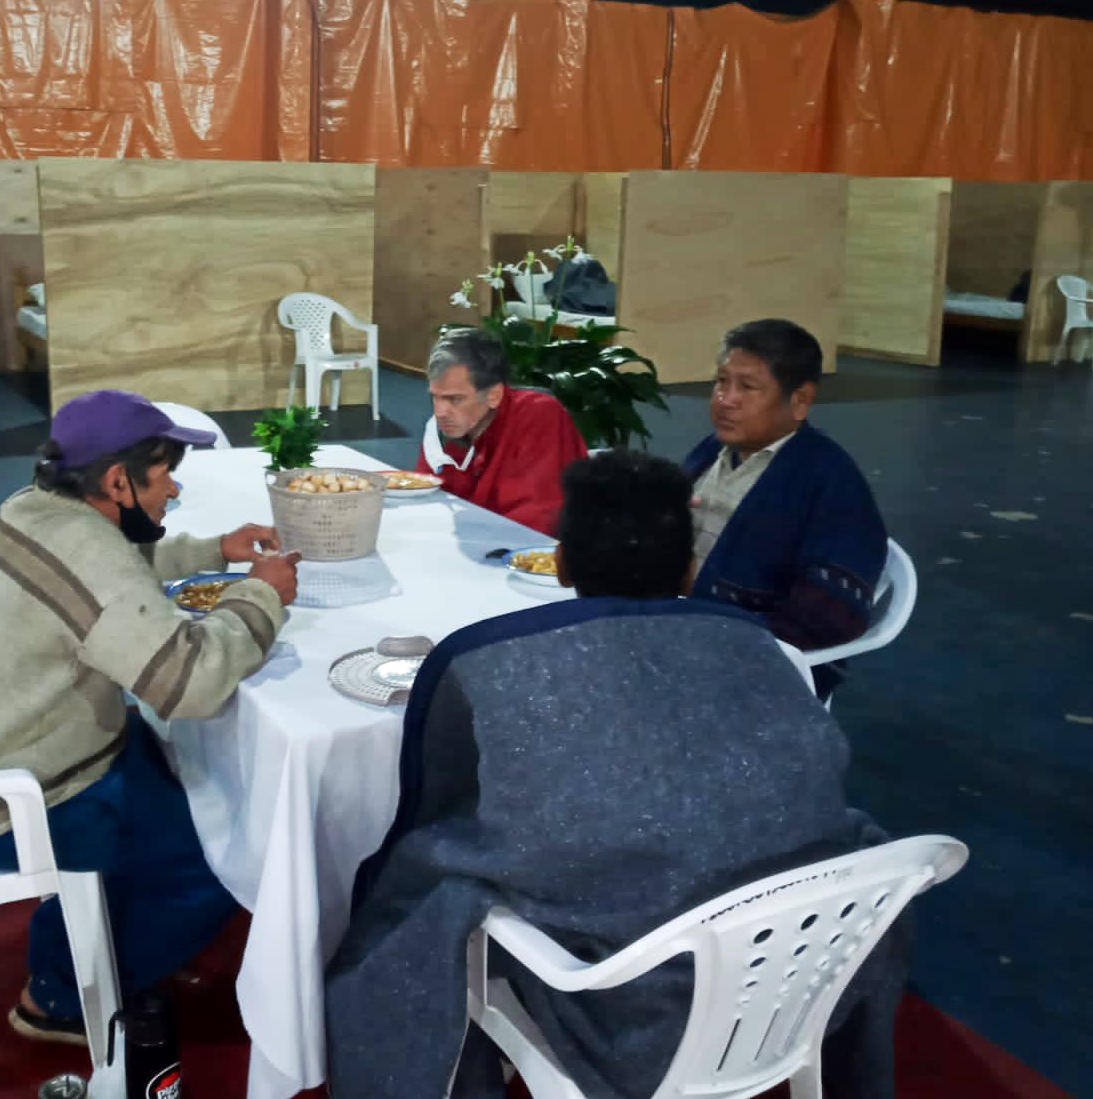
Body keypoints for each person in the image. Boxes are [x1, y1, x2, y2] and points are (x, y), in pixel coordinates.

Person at [326, 450, 904, 1099]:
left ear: (563, 562)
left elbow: (436, 820)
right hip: (791, 983)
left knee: (418, 890)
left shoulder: (482, 665)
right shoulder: (766, 651)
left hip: (617, 1012)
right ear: (688, 568)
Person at [0, 389, 301, 1045]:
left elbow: (116, 567)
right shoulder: (90, 552)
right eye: (163, 474)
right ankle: (61, 997)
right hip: (16, 800)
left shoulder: (38, 509)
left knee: (189, 784)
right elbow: (190, 683)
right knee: (227, 852)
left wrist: (215, 548)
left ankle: (92, 938)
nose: (174, 488)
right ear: (118, 481)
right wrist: (261, 595)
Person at [684, 319, 887, 682]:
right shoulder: (714, 449)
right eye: (721, 381)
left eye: (747, 386)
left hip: (750, 657)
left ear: (800, 401)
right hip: (678, 619)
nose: (725, 400)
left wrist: (705, 606)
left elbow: (830, 617)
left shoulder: (831, 483)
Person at [416, 327, 587, 535]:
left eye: (455, 399)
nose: (440, 411)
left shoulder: (539, 416)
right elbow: (423, 496)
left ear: (494, 395)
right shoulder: (446, 428)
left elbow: (538, 519)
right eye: (435, 397)